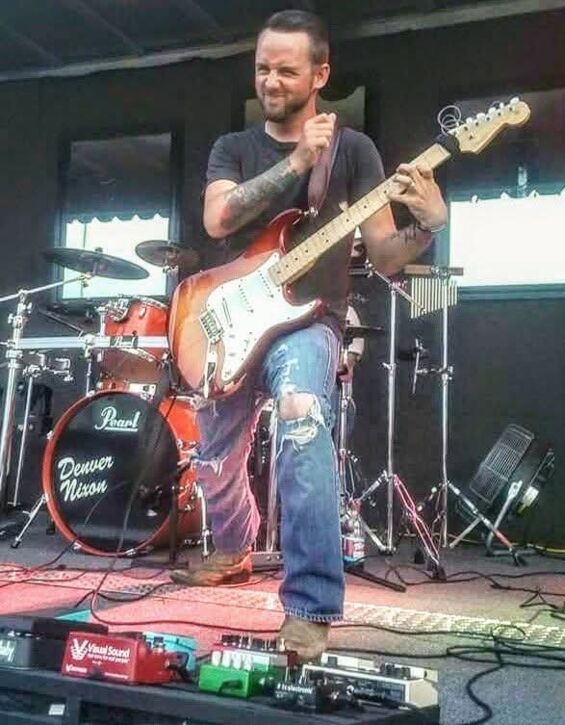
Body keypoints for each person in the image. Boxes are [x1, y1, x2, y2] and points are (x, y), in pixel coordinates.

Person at [170, 9, 448, 661]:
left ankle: (310, 606)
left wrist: (428, 225)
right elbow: (218, 219)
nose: (270, 80)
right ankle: (234, 548)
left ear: (320, 74)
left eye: (286, 70)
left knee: (301, 418)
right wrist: (296, 160)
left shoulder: (354, 152)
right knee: (215, 456)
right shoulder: (233, 147)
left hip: (310, 320)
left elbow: (384, 255)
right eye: (262, 68)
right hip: (227, 318)